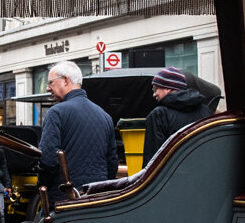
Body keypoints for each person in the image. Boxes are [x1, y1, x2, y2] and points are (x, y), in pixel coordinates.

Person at [36, 62, 122, 191]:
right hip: (97, 198)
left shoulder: (56, 113)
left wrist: (42, 185)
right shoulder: (105, 116)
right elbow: (112, 163)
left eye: (50, 83)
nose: (48, 88)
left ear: (65, 80)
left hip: (65, 200)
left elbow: (48, 160)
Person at [141, 67, 217, 166]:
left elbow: (152, 161)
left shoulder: (159, 115)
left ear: (168, 88)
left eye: (156, 89)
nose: (154, 94)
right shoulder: (206, 111)